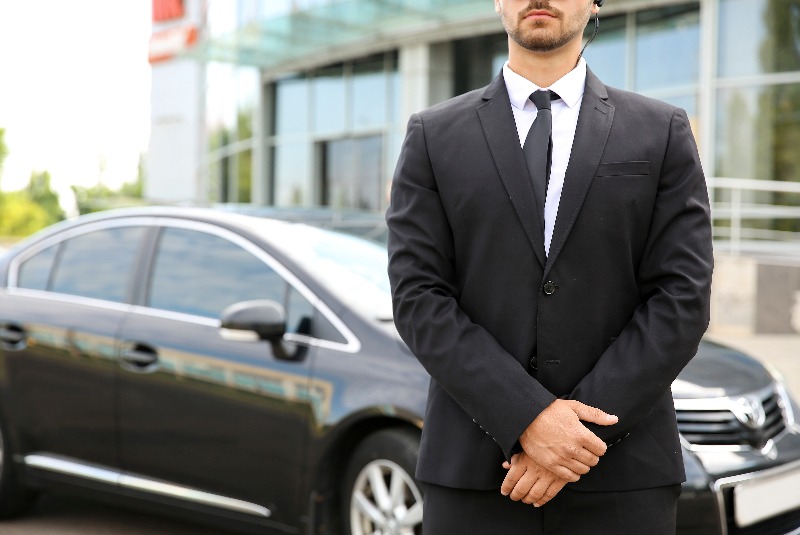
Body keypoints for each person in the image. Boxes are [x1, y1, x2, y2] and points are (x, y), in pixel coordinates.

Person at [385, 0, 714, 532]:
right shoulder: (432, 135)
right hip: (477, 473)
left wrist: (575, 434)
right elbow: (418, 297)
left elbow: (681, 299)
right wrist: (527, 418)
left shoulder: (662, 130)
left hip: (621, 475)